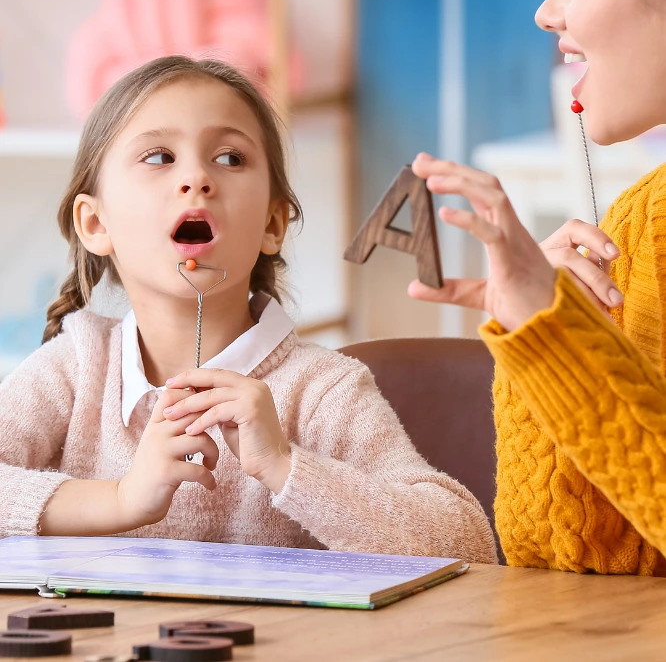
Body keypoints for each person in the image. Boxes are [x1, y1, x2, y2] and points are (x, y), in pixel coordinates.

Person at [0, 55, 496, 563]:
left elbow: (467, 542)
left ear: (273, 224)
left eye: (231, 158)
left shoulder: (323, 389)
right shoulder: (76, 369)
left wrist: (285, 466)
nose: (196, 177)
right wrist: (121, 499)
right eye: (158, 157)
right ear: (95, 224)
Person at [410, 0, 666, 575]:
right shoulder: (642, 222)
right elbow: (567, 561)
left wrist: (559, 343)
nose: (548, 10)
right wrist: (538, 333)